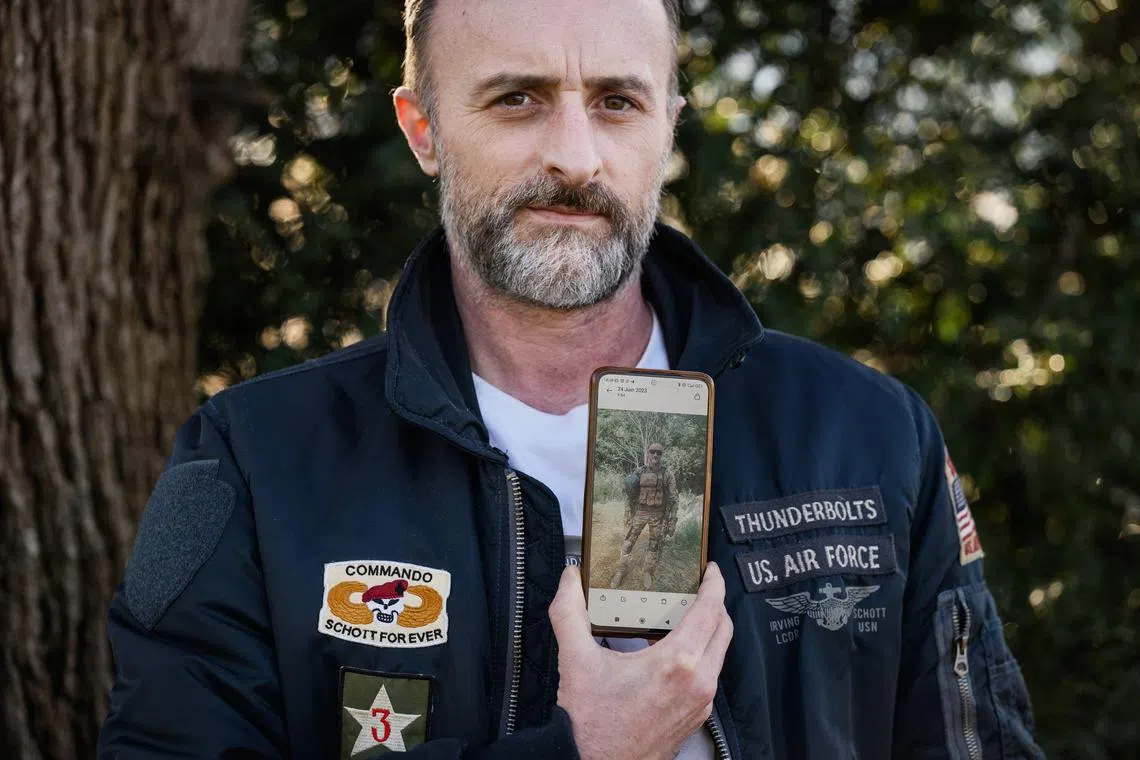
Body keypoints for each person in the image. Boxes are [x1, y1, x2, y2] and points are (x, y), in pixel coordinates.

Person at [98, 0, 1045, 758]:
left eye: (618, 102)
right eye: (517, 98)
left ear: (668, 127)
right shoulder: (257, 464)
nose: (575, 156)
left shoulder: (870, 438)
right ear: (424, 129)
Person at [612, 443, 679, 589]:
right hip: (640, 513)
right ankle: (621, 571)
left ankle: (647, 571)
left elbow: (674, 498)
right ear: (648, 453)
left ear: (661, 455)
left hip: (658, 515)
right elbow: (629, 495)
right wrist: (627, 514)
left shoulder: (667, 474)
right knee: (628, 542)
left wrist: (673, 521)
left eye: (658, 453)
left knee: (654, 545)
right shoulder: (639, 472)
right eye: (652, 452)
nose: (655, 455)